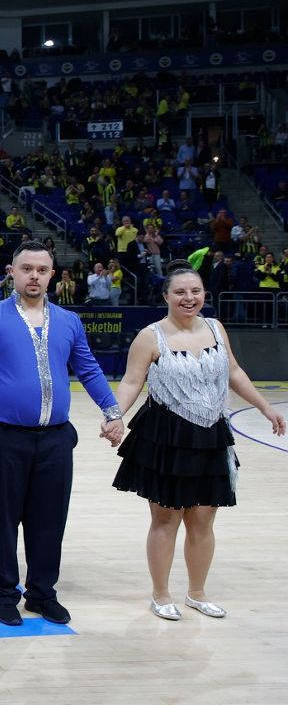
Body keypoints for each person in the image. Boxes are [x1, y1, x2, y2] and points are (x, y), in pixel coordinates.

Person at [0, 241, 124, 627]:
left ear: (53, 274)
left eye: (42, 269)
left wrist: (112, 412)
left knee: (50, 520)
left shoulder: (68, 321)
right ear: (11, 272)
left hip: (55, 438)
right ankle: (3, 594)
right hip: (3, 437)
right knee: (4, 519)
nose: (34, 275)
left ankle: (42, 593)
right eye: (26, 268)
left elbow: (88, 369)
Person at [111, 261, 285, 621]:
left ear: (204, 294)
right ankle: (160, 594)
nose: (189, 298)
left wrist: (266, 408)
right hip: (167, 437)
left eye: (195, 291)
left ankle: (197, 593)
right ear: (166, 297)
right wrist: (115, 416)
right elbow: (131, 382)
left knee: (204, 520)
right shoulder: (150, 336)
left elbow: (234, 372)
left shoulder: (216, 328)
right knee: (166, 520)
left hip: (213, 435)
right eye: (180, 292)